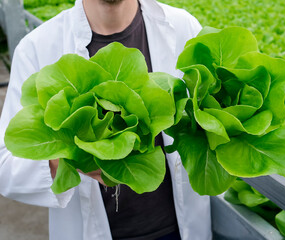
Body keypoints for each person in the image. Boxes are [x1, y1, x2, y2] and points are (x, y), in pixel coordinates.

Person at [0, 0, 212, 239]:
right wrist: (72, 159)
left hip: (177, 230)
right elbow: (6, 166)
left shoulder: (183, 27)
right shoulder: (37, 48)